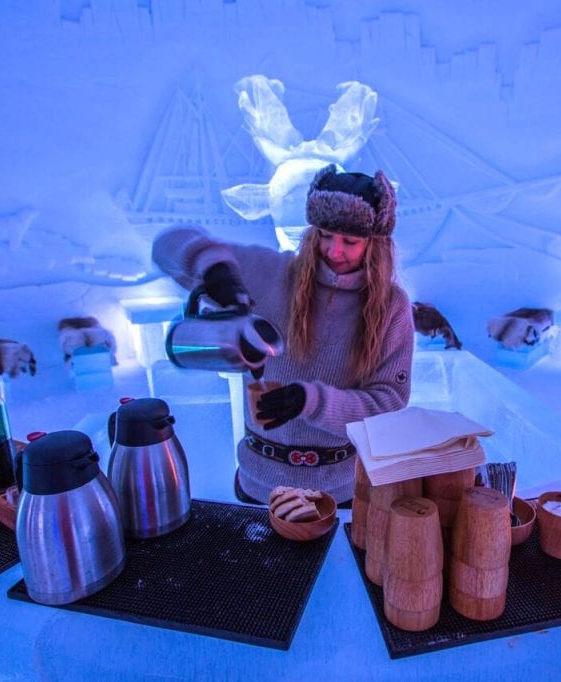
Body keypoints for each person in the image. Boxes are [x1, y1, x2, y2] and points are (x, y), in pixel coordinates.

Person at [152, 164, 414, 505]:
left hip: (340, 495)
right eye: (325, 235)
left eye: (350, 241)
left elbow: (388, 406)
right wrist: (216, 270)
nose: (335, 251)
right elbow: (167, 245)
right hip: (259, 487)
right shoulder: (271, 273)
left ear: (375, 243)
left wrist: (312, 402)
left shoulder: (391, 307)